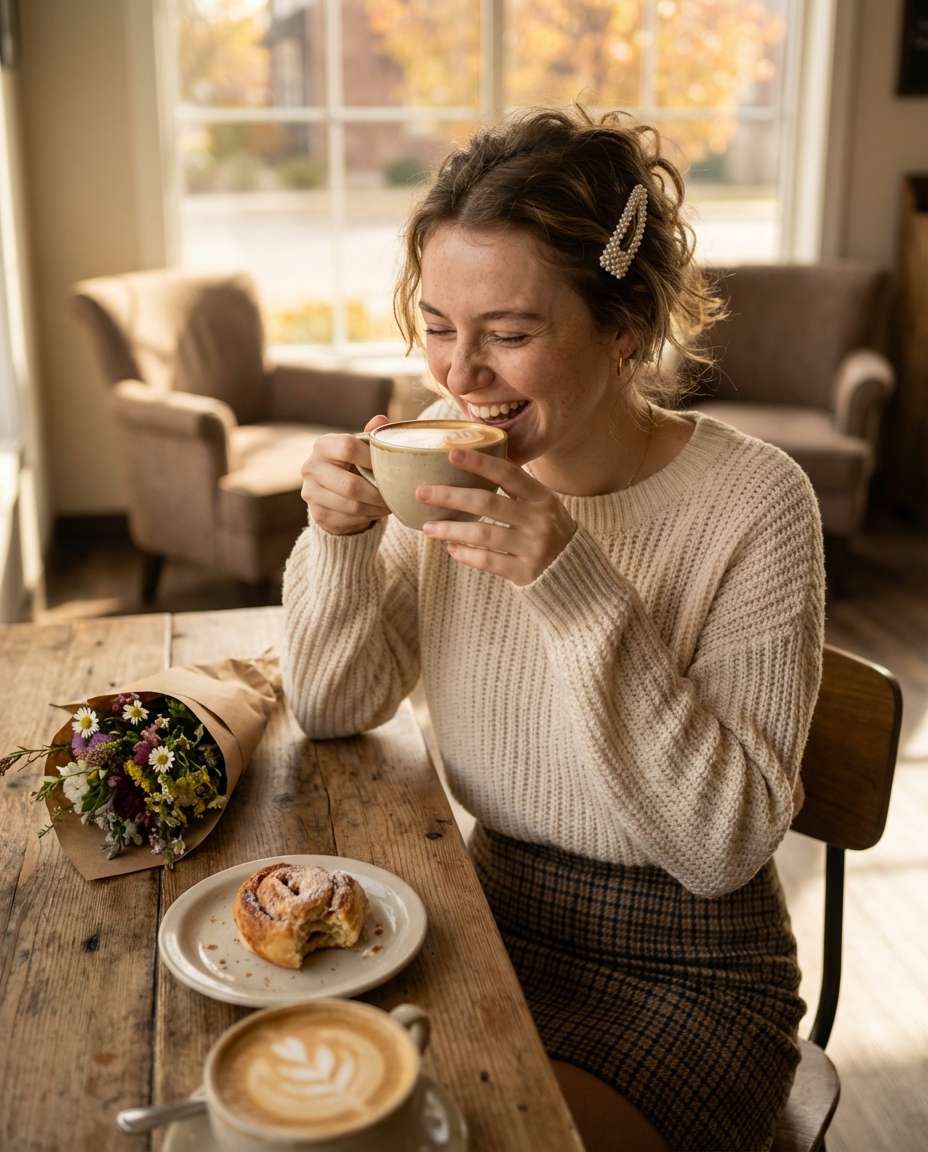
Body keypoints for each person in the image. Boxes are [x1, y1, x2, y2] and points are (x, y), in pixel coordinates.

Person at [283, 107, 825, 1152]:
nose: (458, 376)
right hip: (484, 911)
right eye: (440, 324)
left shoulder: (758, 506)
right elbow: (332, 704)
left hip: (688, 973)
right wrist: (340, 539)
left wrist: (570, 583)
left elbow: (721, 847)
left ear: (624, 329)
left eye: (511, 334)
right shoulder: (442, 461)